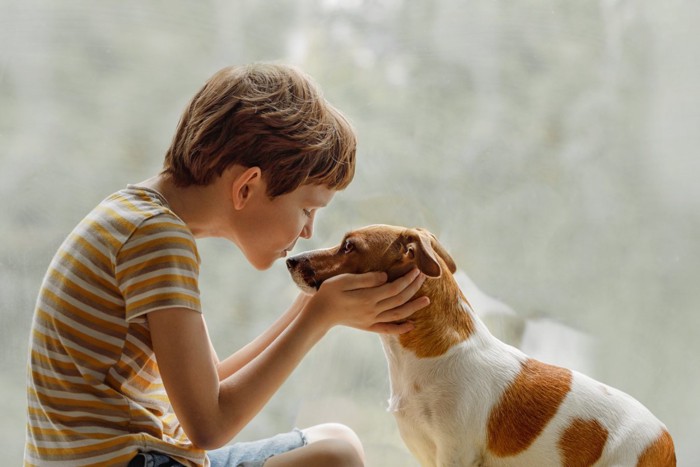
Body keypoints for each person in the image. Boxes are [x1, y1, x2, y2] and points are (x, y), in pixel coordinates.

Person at [24, 63, 429, 467]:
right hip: (129, 461)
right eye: (307, 208)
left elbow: (211, 384)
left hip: (129, 455)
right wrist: (317, 320)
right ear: (246, 187)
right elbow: (209, 426)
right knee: (335, 456)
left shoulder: (137, 218)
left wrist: (308, 306)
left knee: (334, 441)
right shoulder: (158, 240)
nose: (308, 231)